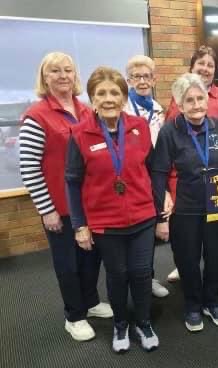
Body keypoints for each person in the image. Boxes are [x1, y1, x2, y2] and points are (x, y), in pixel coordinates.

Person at [19, 52, 112, 342]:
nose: (62, 76)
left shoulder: (86, 111)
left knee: (90, 258)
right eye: (55, 71)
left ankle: (91, 301)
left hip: (90, 205)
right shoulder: (37, 116)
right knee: (68, 264)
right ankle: (74, 316)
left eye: (68, 70)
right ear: (44, 77)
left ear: (75, 76)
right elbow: (29, 167)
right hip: (59, 207)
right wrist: (46, 210)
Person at [65, 66, 159, 353]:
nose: (108, 99)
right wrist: (80, 225)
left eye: (114, 93)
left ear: (123, 96)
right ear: (92, 98)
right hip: (105, 222)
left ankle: (143, 323)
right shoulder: (80, 134)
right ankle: (121, 324)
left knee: (142, 273)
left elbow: (152, 168)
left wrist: (161, 201)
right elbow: (72, 182)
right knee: (117, 274)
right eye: (101, 93)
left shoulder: (139, 127)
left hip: (142, 216)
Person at [151, 73, 218, 332]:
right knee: (187, 258)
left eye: (200, 98)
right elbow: (159, 172)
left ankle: (213, 301)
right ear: (179, 103)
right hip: (185, 207)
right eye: (190, 100)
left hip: (217, 203)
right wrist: (162, 201)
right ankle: (193, 304)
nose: (197, 104)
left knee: (216, 256)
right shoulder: (169, 131)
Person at [165, 45, 218, 283]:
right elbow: (170, 146)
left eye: (210, 65)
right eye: (201, 64)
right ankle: (190, 283)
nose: (205, 68)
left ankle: (214, 294)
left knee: (216, 249)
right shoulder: (177, 104)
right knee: (188, 246)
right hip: (187, 187)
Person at [125, 54, 169, 298]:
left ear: (154, 79)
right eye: (136, 76)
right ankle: (131, 283)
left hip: (154, 175)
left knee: (149, 232)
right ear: (129, 80)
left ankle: (148, 278)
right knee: (133, 233)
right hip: (131, 179)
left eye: (147, 76)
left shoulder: (158, 109)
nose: (142, 81)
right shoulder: (123, 108)